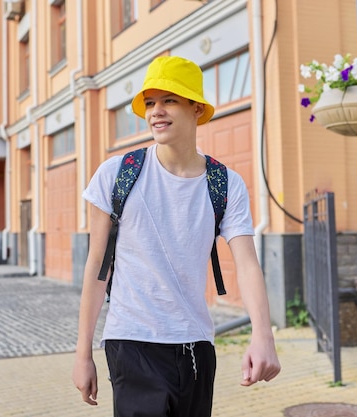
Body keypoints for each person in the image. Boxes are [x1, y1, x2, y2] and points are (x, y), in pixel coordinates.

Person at [72, 56, 281, 416]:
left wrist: (263, 335)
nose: (156, 111)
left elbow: (247, 262)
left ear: (196, 109)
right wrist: (82, 353)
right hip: (132, 342)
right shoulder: (116, 174)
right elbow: (96, 266)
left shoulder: (225, 183)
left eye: (169, 100)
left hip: (197, 347)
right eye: (150, 102)